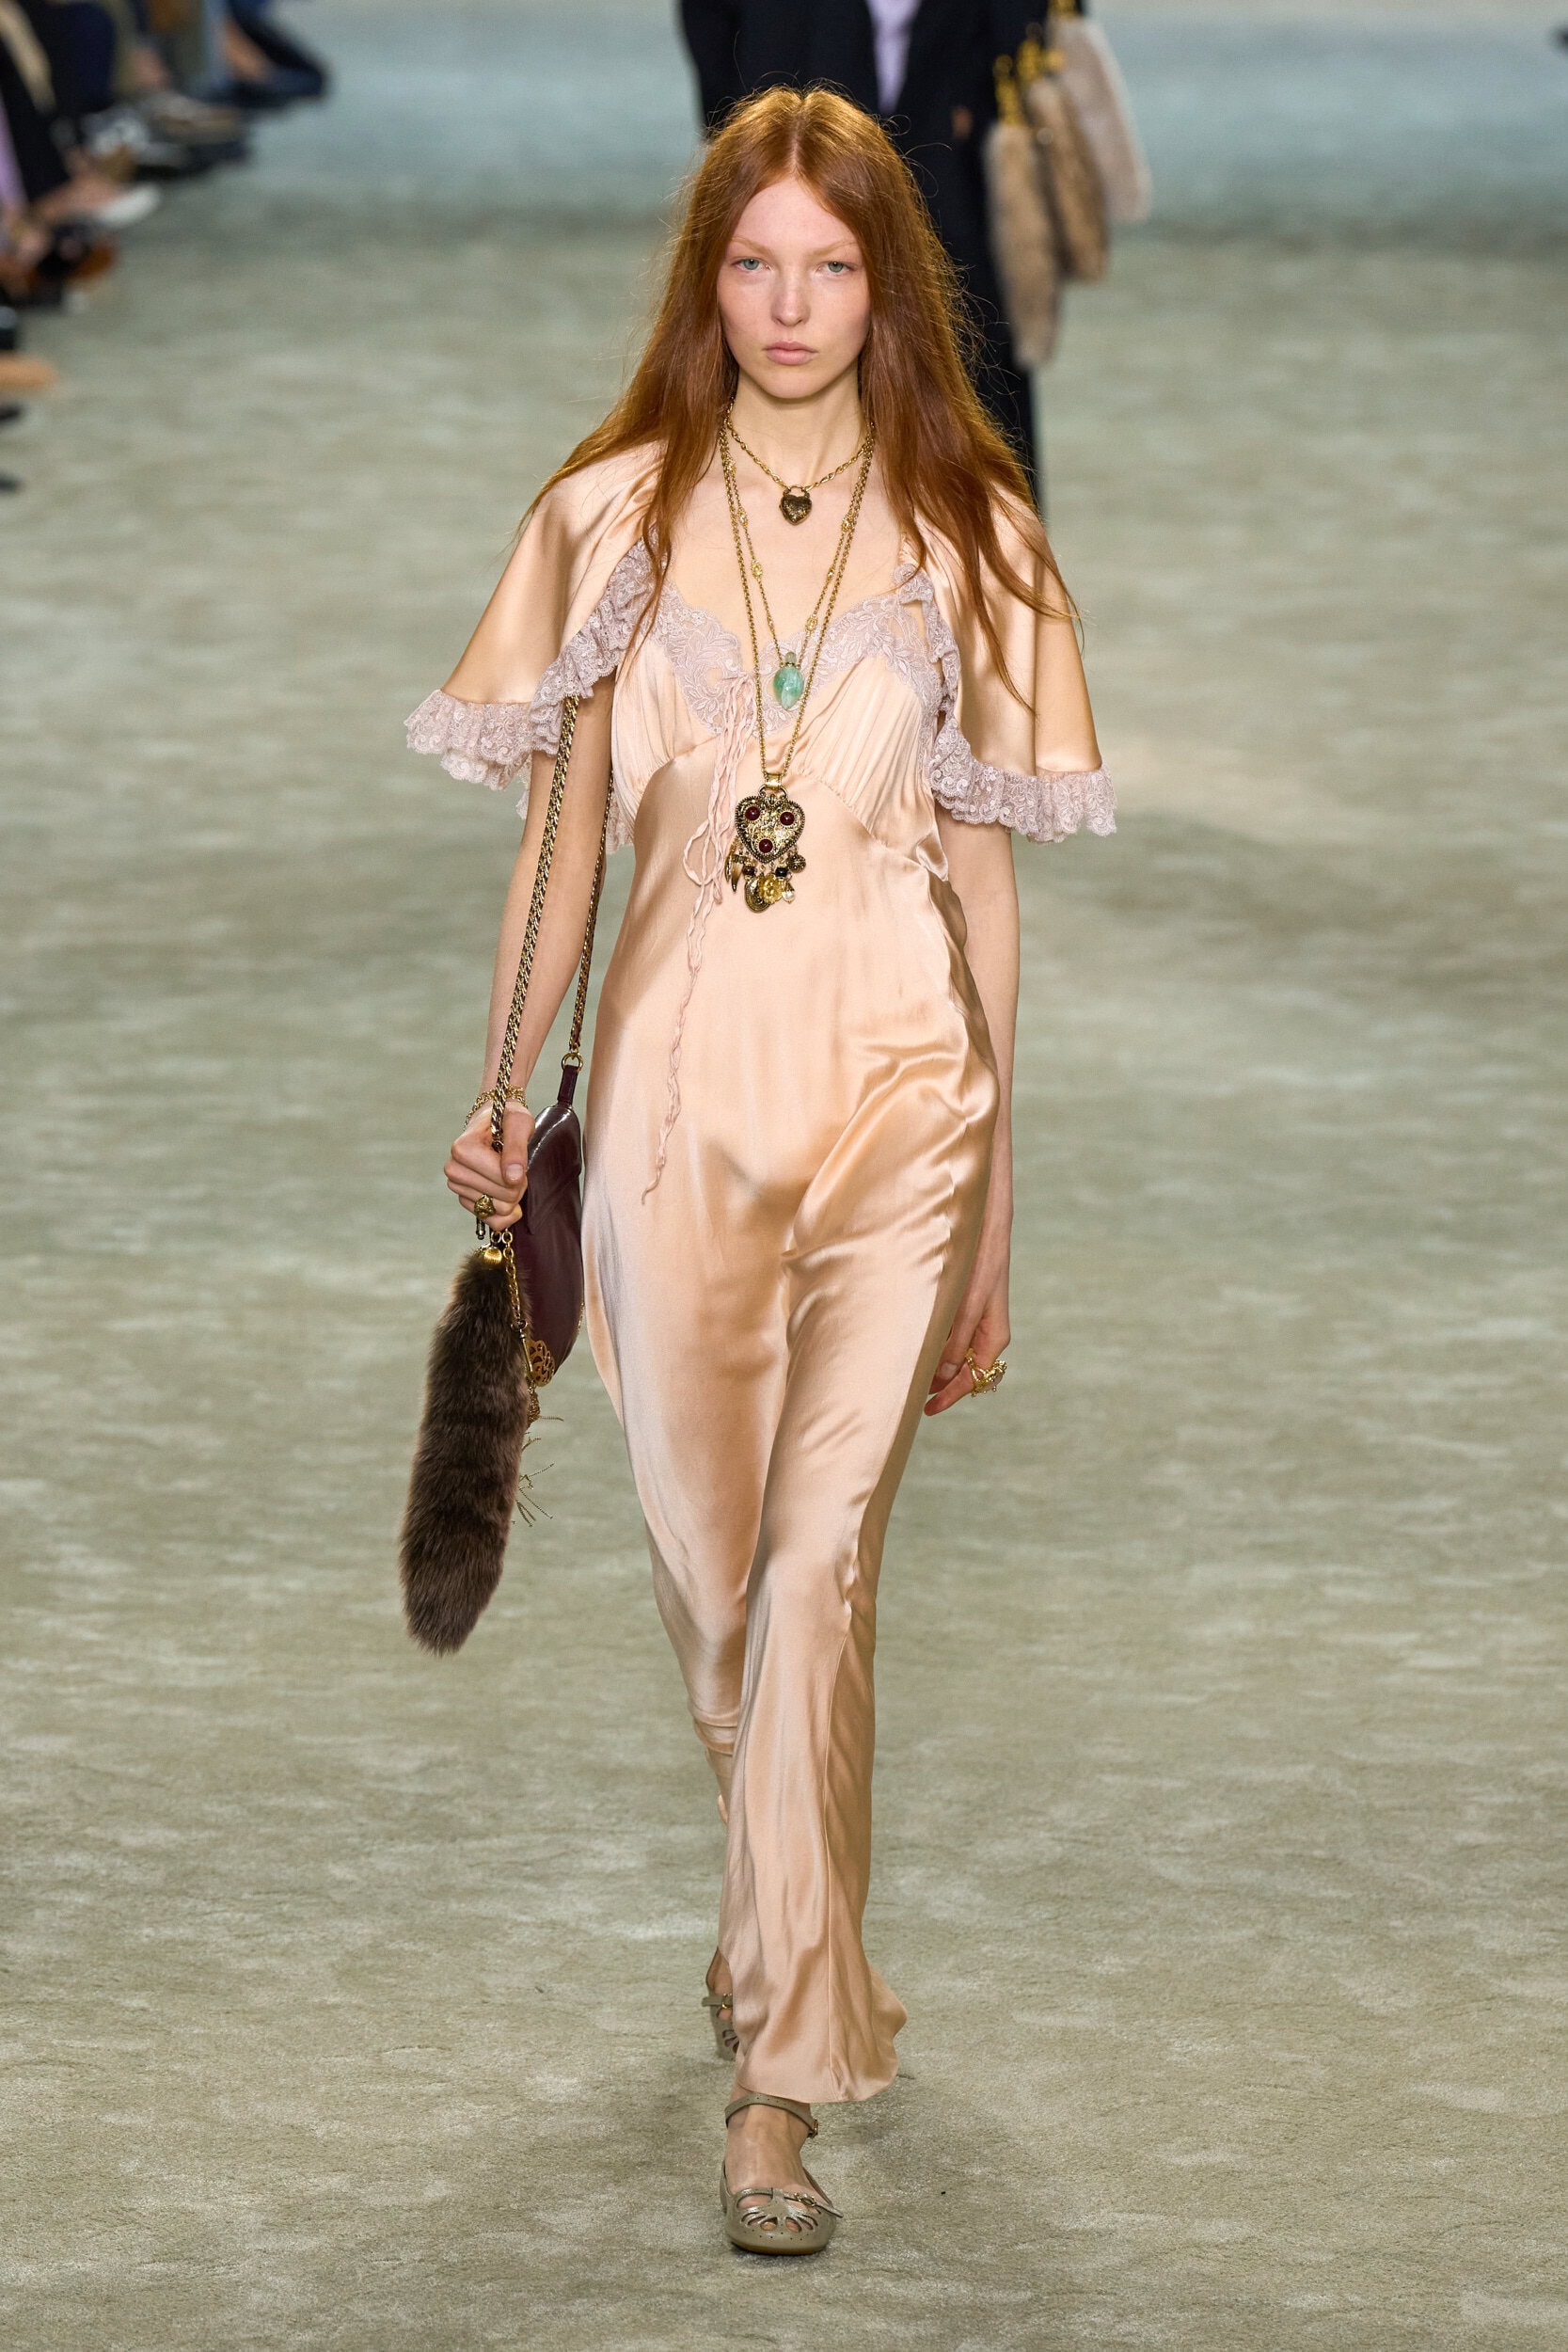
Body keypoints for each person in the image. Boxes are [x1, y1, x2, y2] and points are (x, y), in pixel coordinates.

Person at [405, 85, 1112, 2253]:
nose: (789, 305)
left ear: (884, 286)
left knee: (818, 1574)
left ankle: (775, 2084)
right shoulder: (606, 521)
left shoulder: (971, 529)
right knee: (716, 1594)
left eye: (828, 265)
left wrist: (1000, 1196)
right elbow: (557, 847)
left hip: (902, 1097)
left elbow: (982, 882)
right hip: (673, 1105)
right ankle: (782, 1936)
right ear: (701, 280)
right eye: (750, 263)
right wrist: (500, 1086)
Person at [679, 0, 1074, 494]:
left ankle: (974, 513)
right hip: (787, 112)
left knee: (972, 347)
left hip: (953, 132)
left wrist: (985, 95)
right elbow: (709, 23)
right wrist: (741, 127)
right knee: (773, 328)